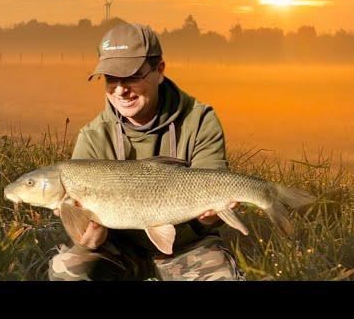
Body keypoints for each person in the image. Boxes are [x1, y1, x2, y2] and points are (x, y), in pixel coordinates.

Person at [48, 22, 245, 281]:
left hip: (187, 247)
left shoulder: (199, 119)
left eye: (131, 76)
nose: (120, 90)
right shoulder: (94, 136)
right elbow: (89, 240)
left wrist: (211, 218)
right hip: (119, 248)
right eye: (110, 79)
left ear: (159, 70)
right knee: (67, 270)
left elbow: (212, 209)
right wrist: (90, 236)